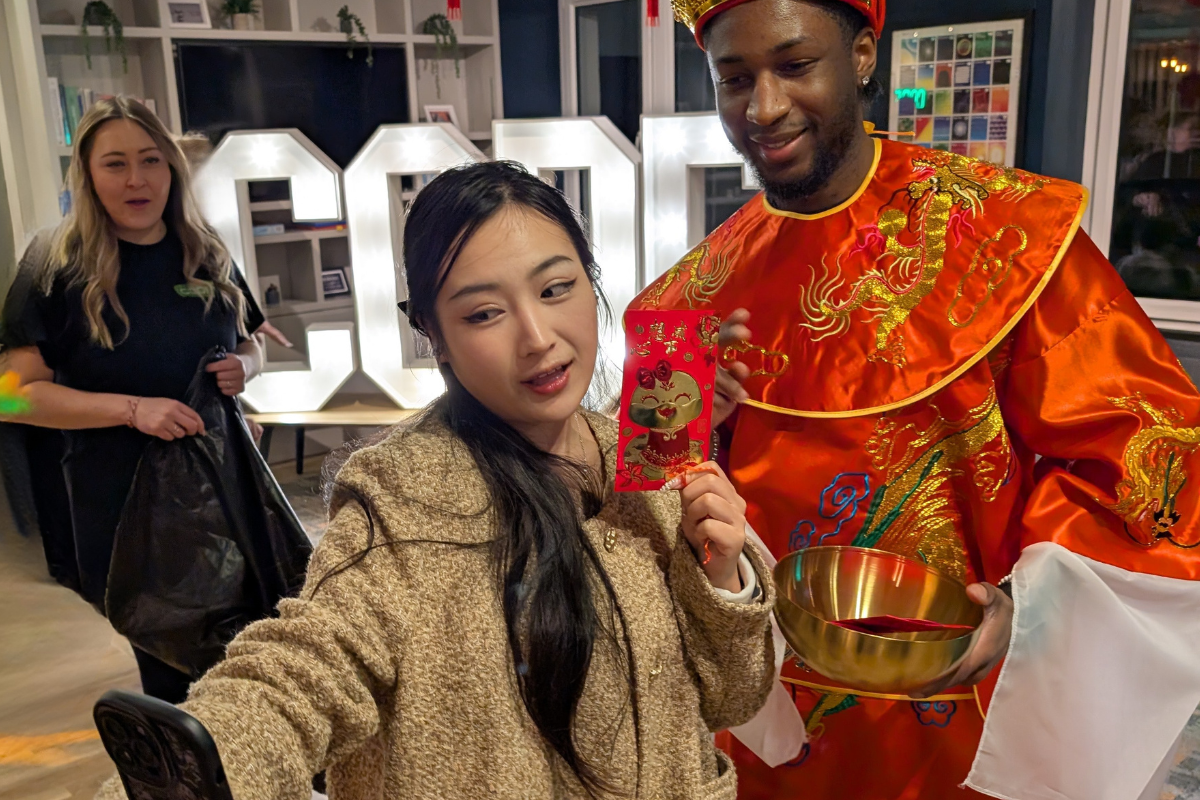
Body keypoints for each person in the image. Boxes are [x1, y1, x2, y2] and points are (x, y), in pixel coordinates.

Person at [633, 1, 1200, 798]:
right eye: (734, 78)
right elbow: (649, 523)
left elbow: (1150, 451)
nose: (762, 108)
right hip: (775, 722)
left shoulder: (1008, 234)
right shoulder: (686, 301)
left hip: (969, 698)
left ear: (863, 54)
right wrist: (705, 437)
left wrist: (1024, 607)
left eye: (795, 66)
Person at [95, 160, 776, 800]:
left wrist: (720, 577)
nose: (538, 337)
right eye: (484, 313)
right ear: (433, 333)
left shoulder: (647, 463)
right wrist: (195, 763)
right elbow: (304, 667)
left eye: (556, 288)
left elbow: (731, 699)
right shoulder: (402, 500)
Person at [0, 96, 268, 704]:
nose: (137, 179)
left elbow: (253, 342)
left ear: (172, 167)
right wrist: (131, 409)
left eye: (151, 160)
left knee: (249, 660)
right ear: (88, 176)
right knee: (171, 670)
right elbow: (11, 398)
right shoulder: (55, 267)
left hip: (224, 494)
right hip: (121, 503)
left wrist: (243, 370)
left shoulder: (208, 250)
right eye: (115, 164)